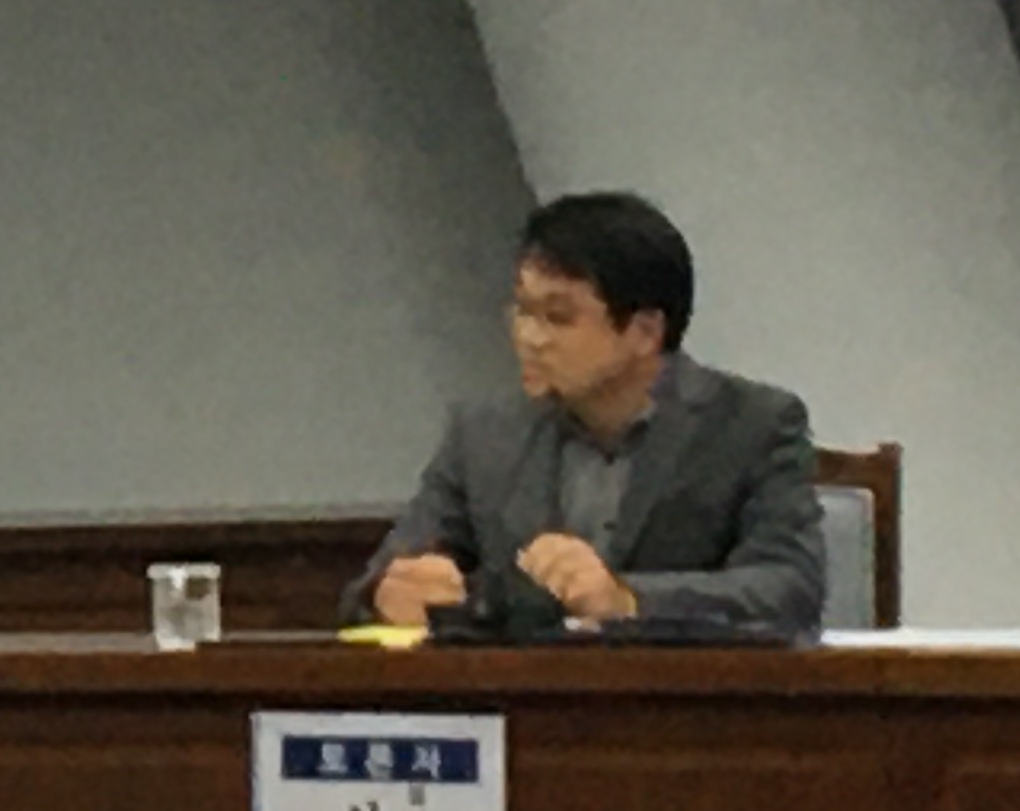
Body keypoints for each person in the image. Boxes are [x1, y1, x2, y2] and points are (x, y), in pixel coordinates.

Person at [350, 190, 825, 641]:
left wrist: (628, 600)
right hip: (518, 690)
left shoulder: (752, 426)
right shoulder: (482, 434)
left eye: (558, 318)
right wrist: (392, 594)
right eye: (523, 311)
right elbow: (375, 582)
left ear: (644, 332)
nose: (529, 338)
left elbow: (788, 588)